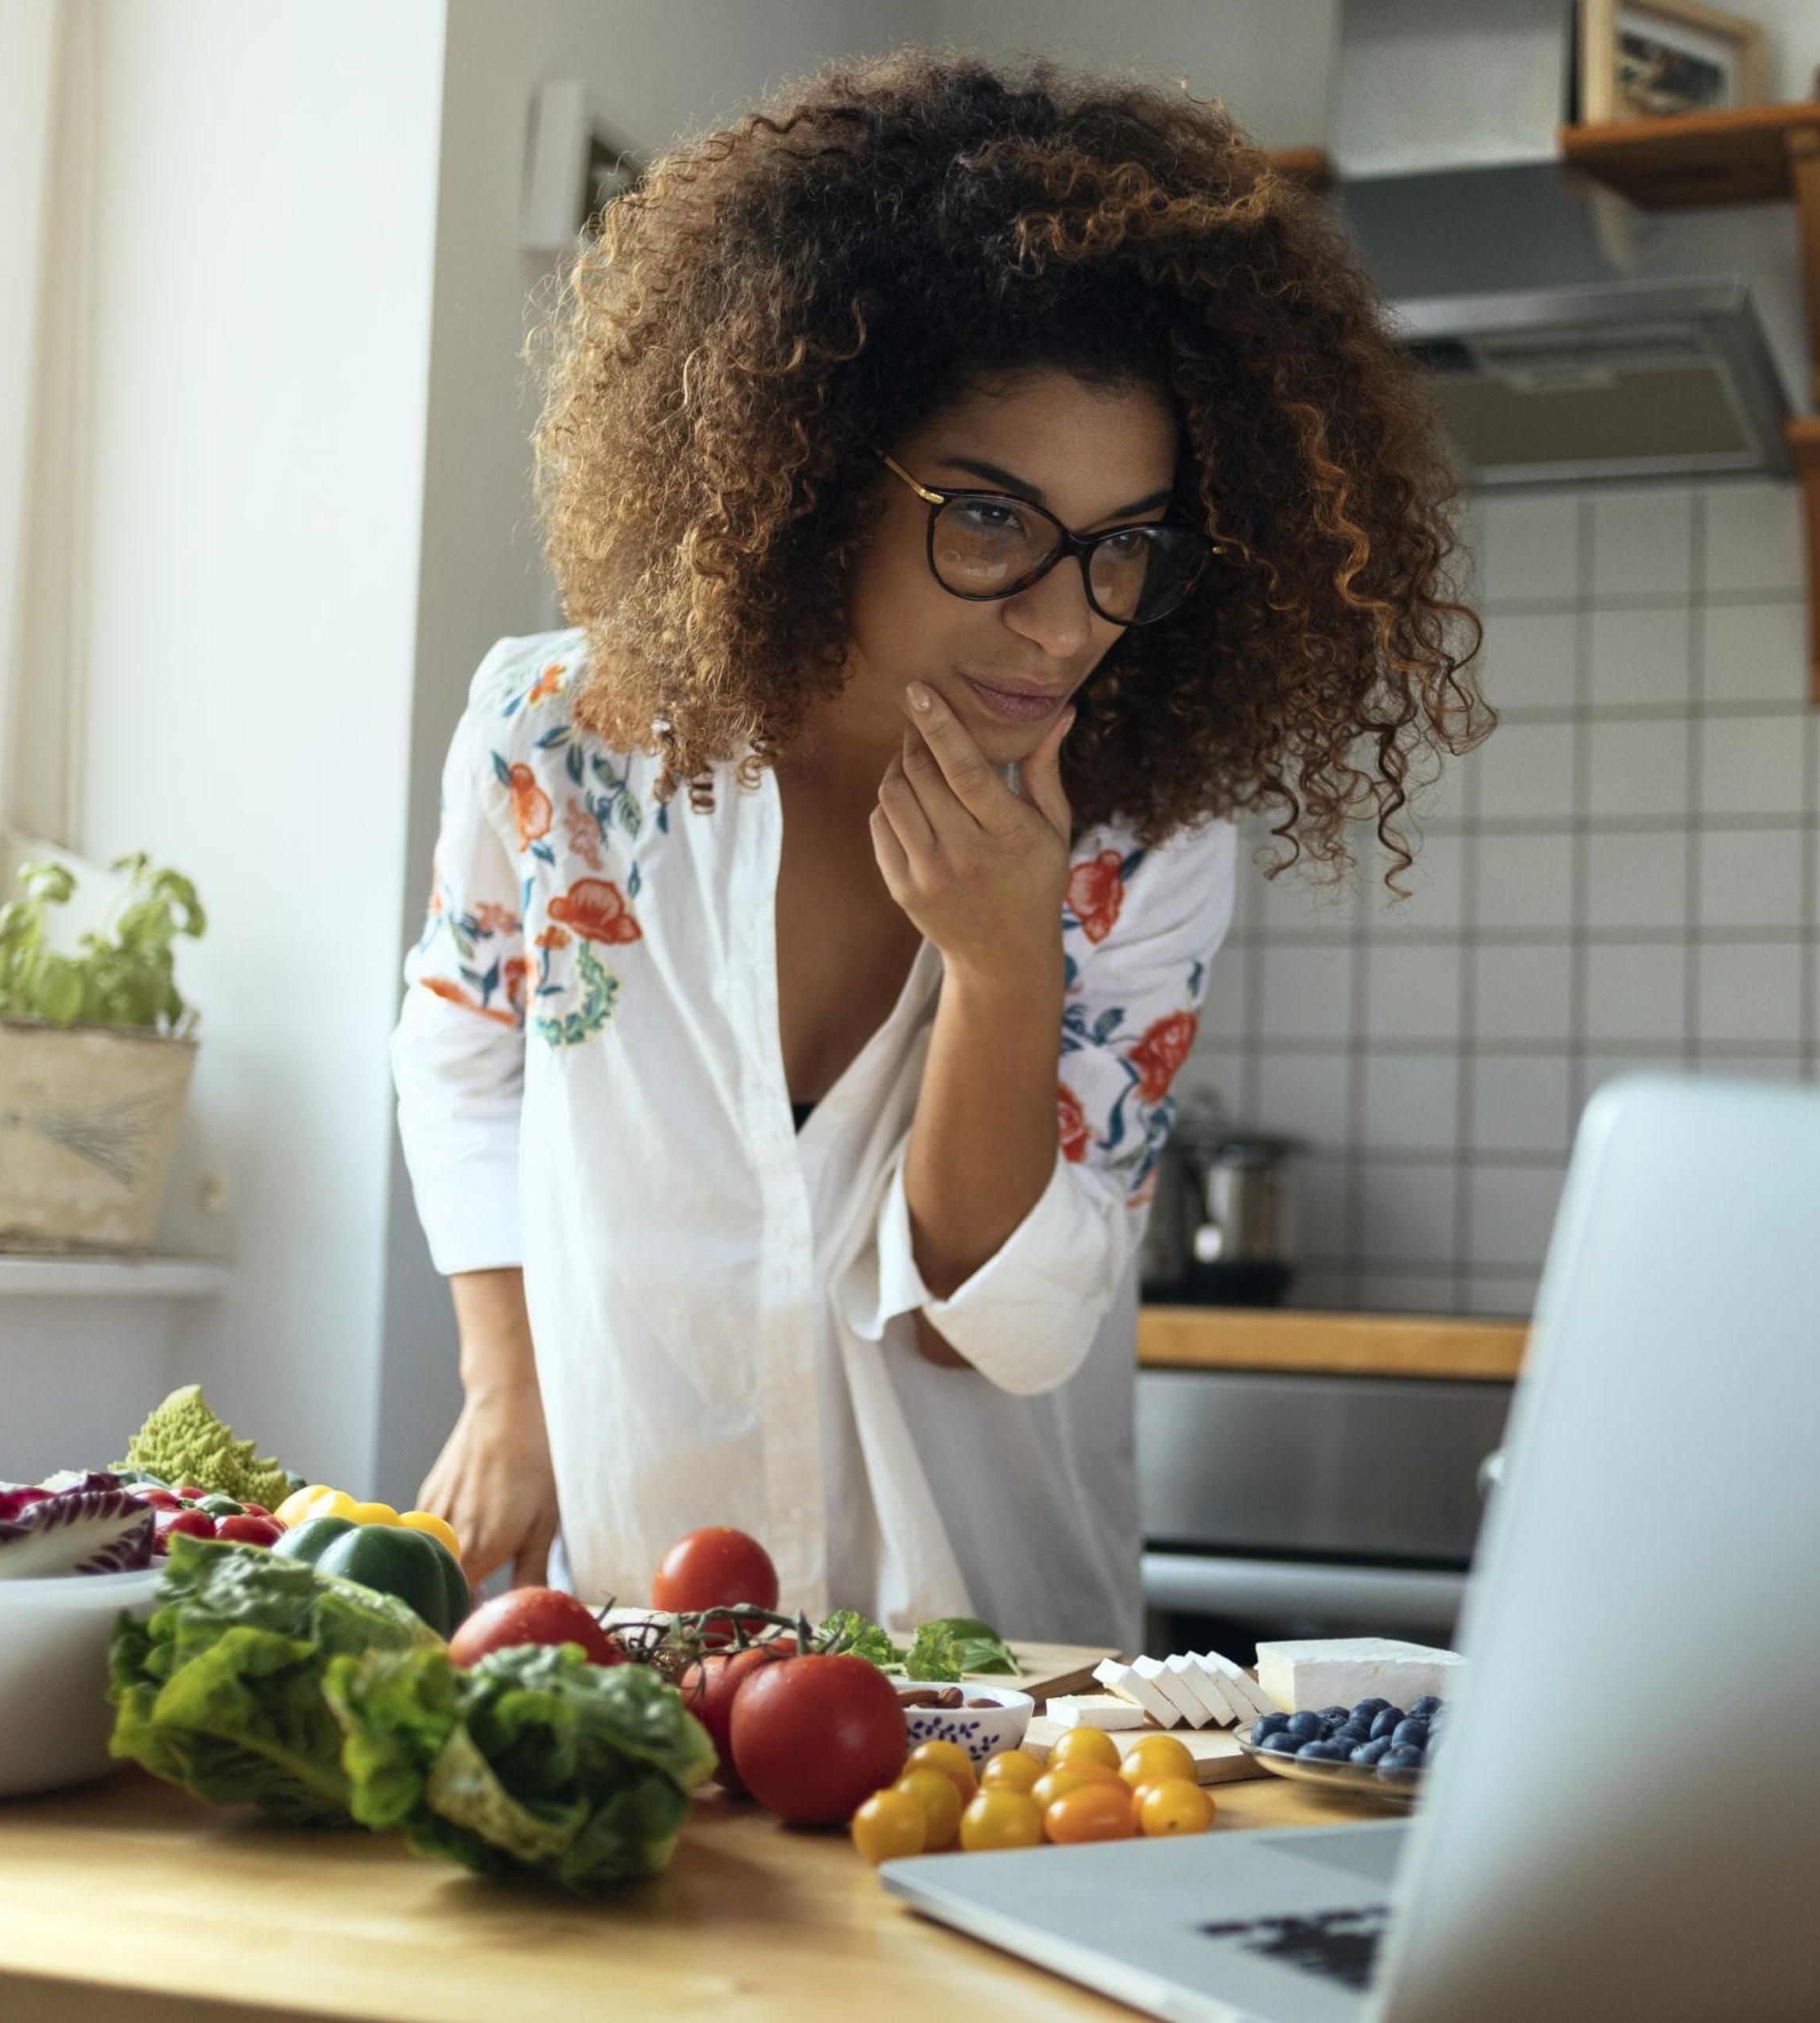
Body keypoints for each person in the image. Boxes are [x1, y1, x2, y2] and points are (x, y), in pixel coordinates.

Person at [390, 51, 1482, 1648]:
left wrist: (1002, 955)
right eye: (990, 519)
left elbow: (1011, 1331)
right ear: (818, 470)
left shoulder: (1139, 836)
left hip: (1004, 1689)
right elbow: (464, 1046)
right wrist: (511, 1388)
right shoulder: (558, 736)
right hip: (638, 1640)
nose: (1063, 618)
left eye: (1126, 548)